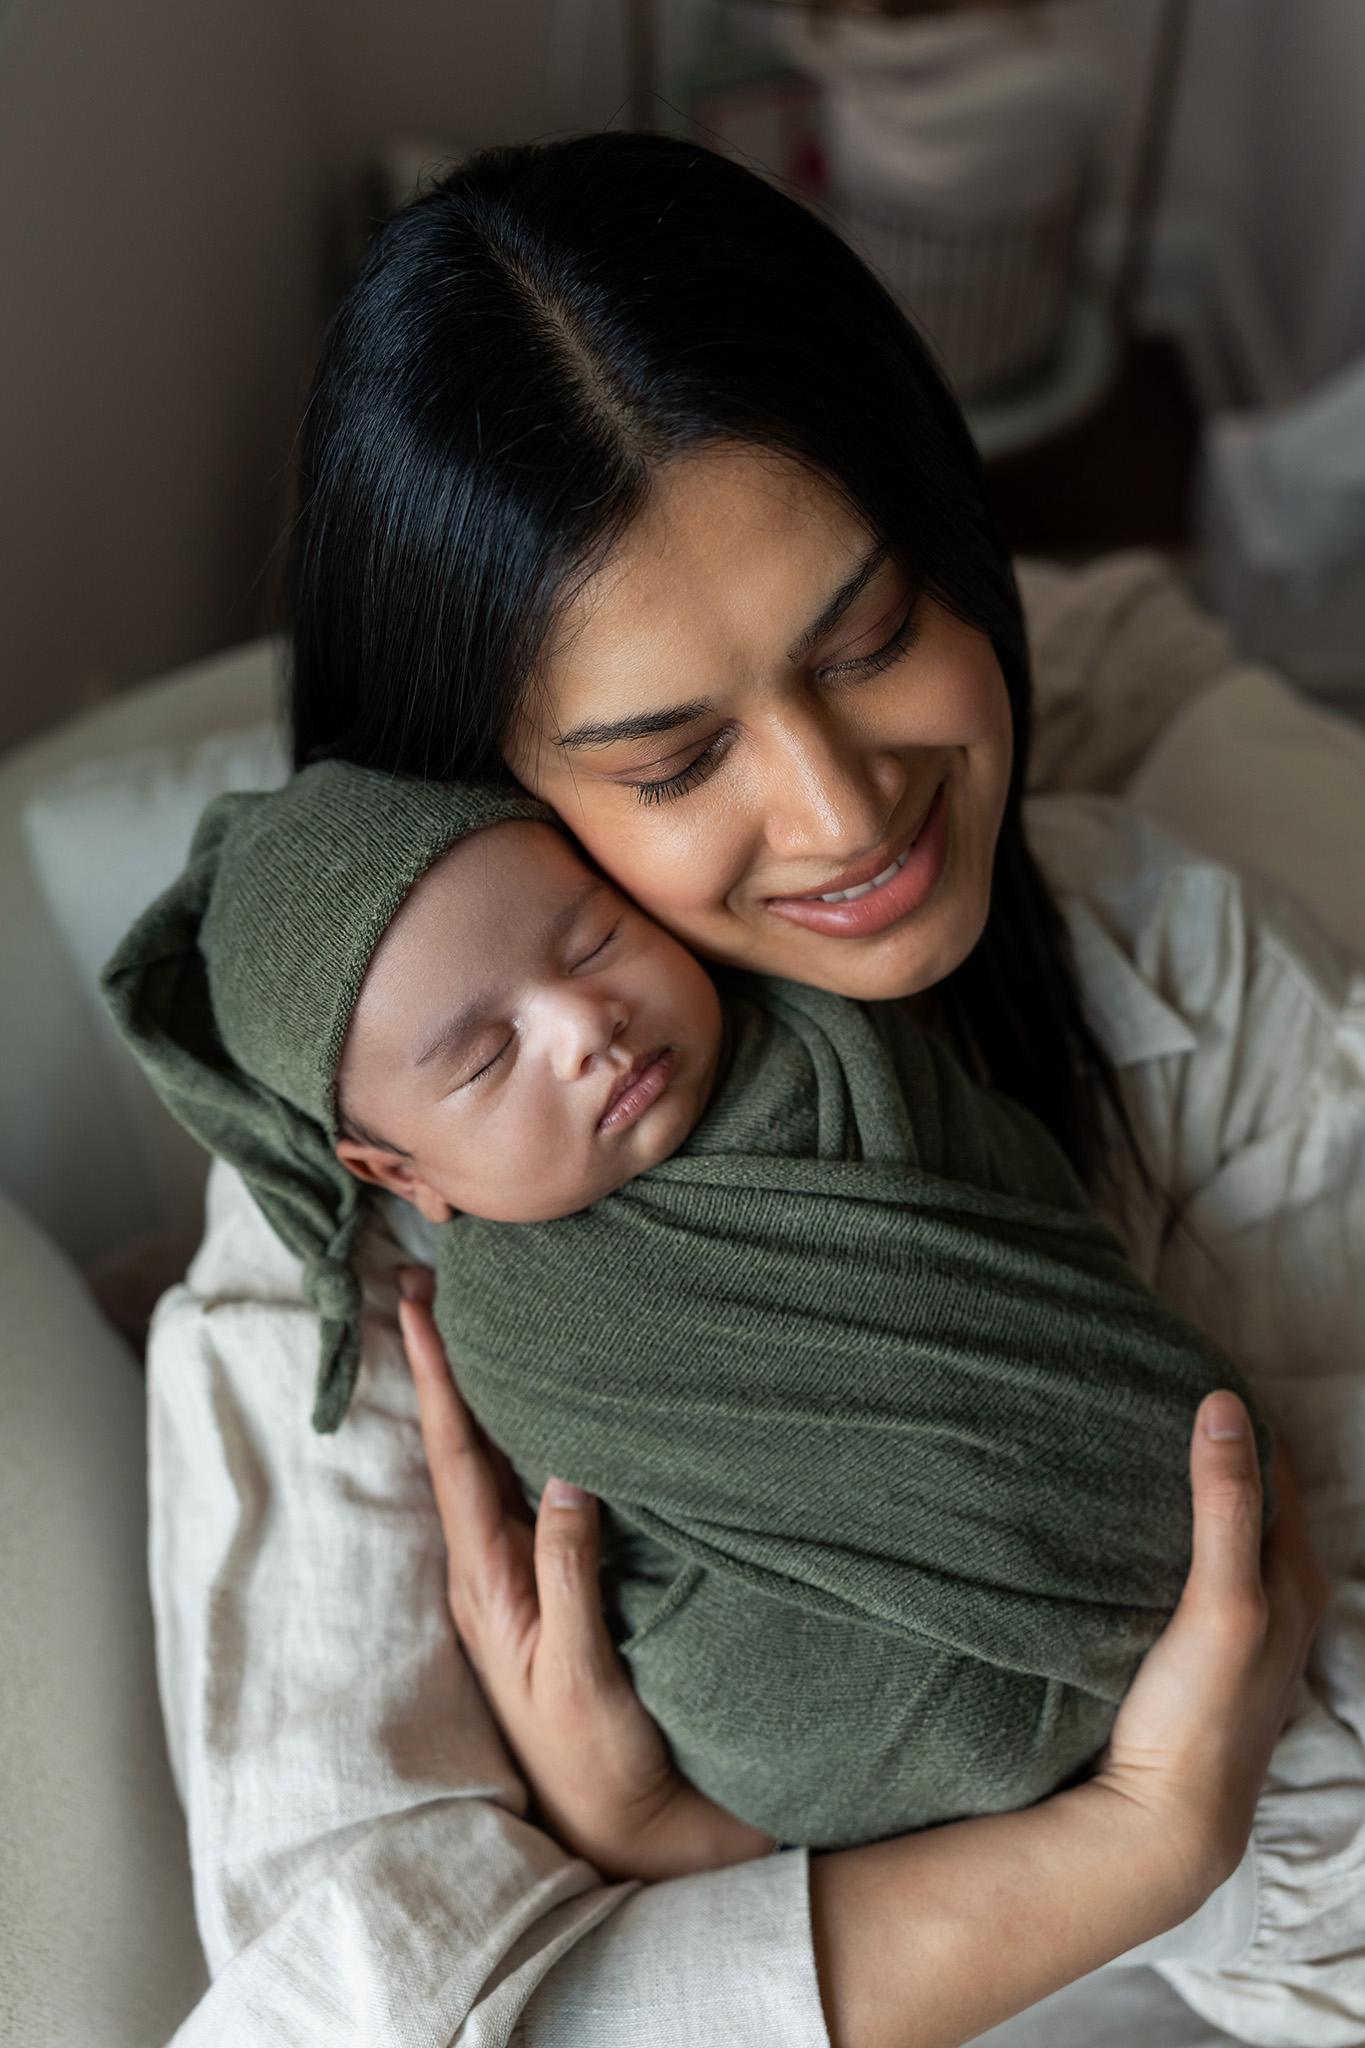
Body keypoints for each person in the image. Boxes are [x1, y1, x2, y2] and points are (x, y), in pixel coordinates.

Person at [146, 132, 1360, 2045]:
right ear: (476, 794)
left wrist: (678, 1855)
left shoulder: (1183, 964)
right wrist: (1130, 1841)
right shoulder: (351, 1290)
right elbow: (345, 2001)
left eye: (872, 640)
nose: (846, 807)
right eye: (673, 756)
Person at [106, 760, 1277, 1869]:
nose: (583, 1022)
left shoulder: (825, 1033)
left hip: (1185, 1597)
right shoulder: (519, 1319)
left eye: (595, 935)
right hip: (844, 1731)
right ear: (403, 1174)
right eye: (484, 1057)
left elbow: (1034, 1211)